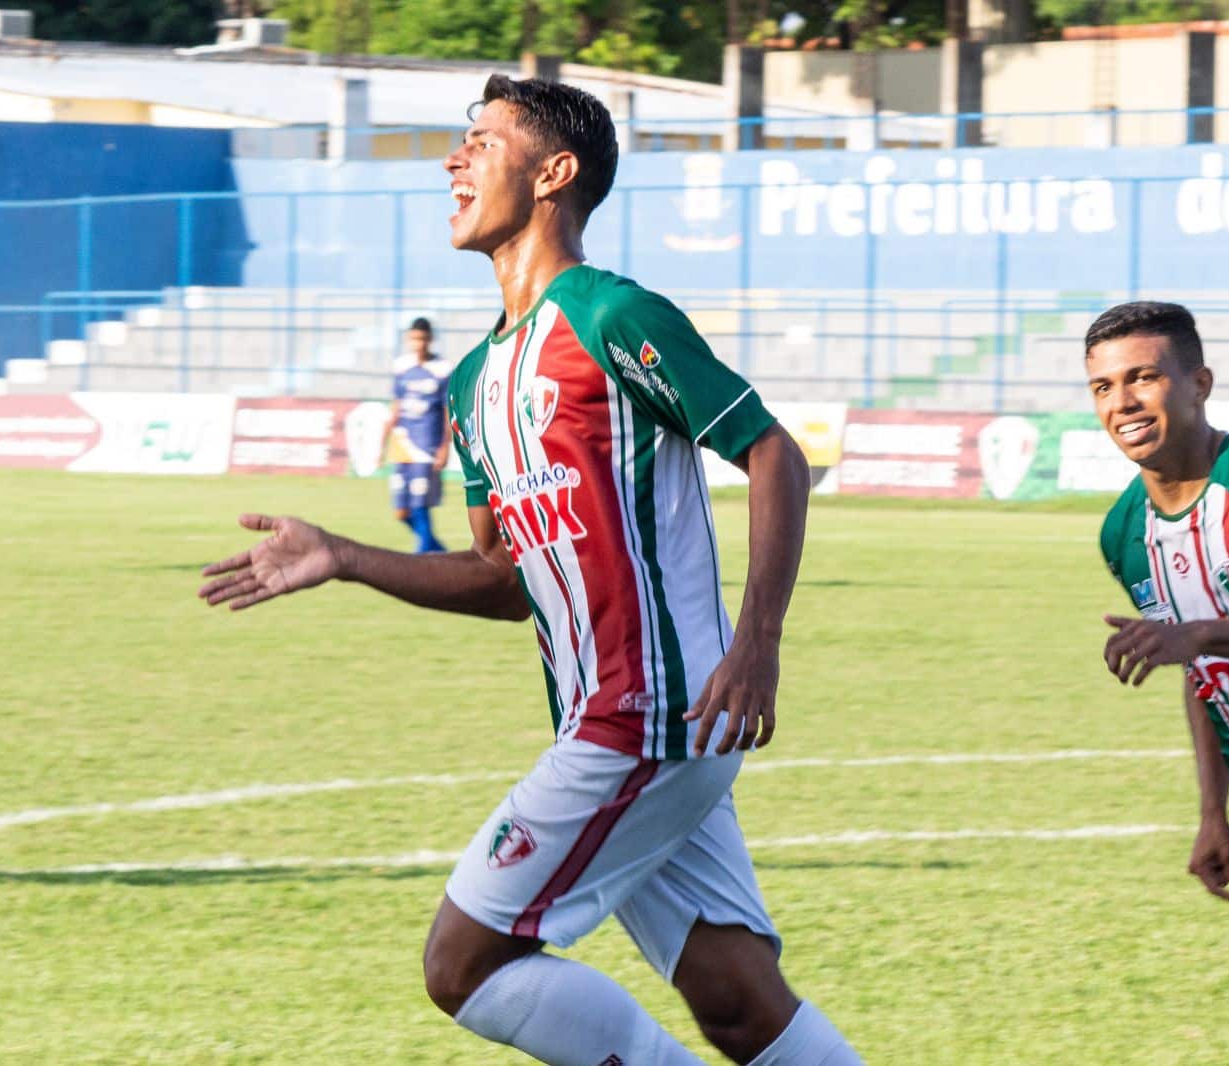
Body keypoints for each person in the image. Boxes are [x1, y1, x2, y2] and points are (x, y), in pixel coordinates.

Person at [200, 75, 859, 1065]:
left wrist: (756, 642)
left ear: (553, 173)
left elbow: (774, 453)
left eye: (480, 141)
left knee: (462, 963)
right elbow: (504, 584)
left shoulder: (607, 314)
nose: (452, 160)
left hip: (648, 713)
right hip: (630, 723)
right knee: (736, 1000)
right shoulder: (473, 385)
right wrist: (345, 557)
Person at [1088, 300, 1229, 1029]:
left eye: (1144, 377)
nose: (1122, 401)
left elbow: (1197, 642)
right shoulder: (1123, 533)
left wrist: (1197, 634)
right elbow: (1205, 674)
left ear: (1199, 384)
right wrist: (1211, 812)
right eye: (1103, 386)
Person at [381, 317, 452, 553]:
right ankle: (443, 554)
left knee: (420, 506)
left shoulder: (442, 370)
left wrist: (445, 447)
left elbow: (447, 412)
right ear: (408, 339)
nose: (419, 343)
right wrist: (382, 442)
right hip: (401, 445)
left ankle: (421, 559)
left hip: (426, 447)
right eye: (414, 338)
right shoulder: (401, 367)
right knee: (401, 512)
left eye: (423, 338)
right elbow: (396, 408)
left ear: (430, 339)